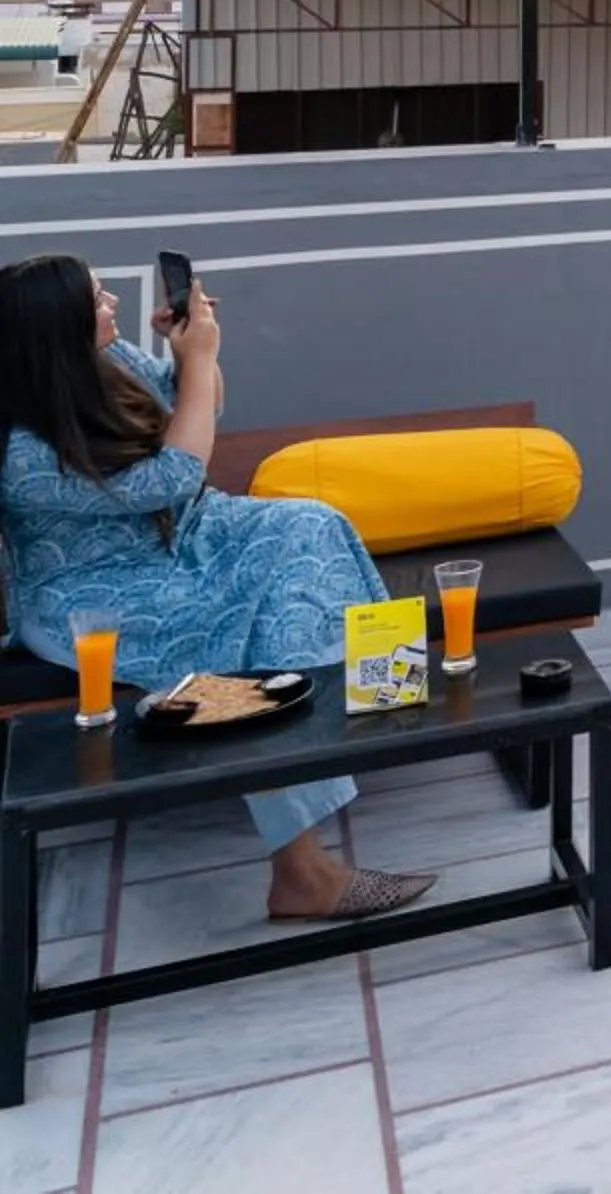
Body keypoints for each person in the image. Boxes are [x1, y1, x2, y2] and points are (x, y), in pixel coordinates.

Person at [0, 255, 435, 921]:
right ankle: (301, 870)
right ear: (56, 329)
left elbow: (202, 409)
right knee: (238, 637)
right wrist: (199, 358)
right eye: (96, 297)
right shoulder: (22, 452)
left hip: (180, 538)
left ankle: (371, 712)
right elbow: (172, 475)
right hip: (94, 598)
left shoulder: (107, 364)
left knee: (309, 526)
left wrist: (190, 355)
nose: (112, 300)